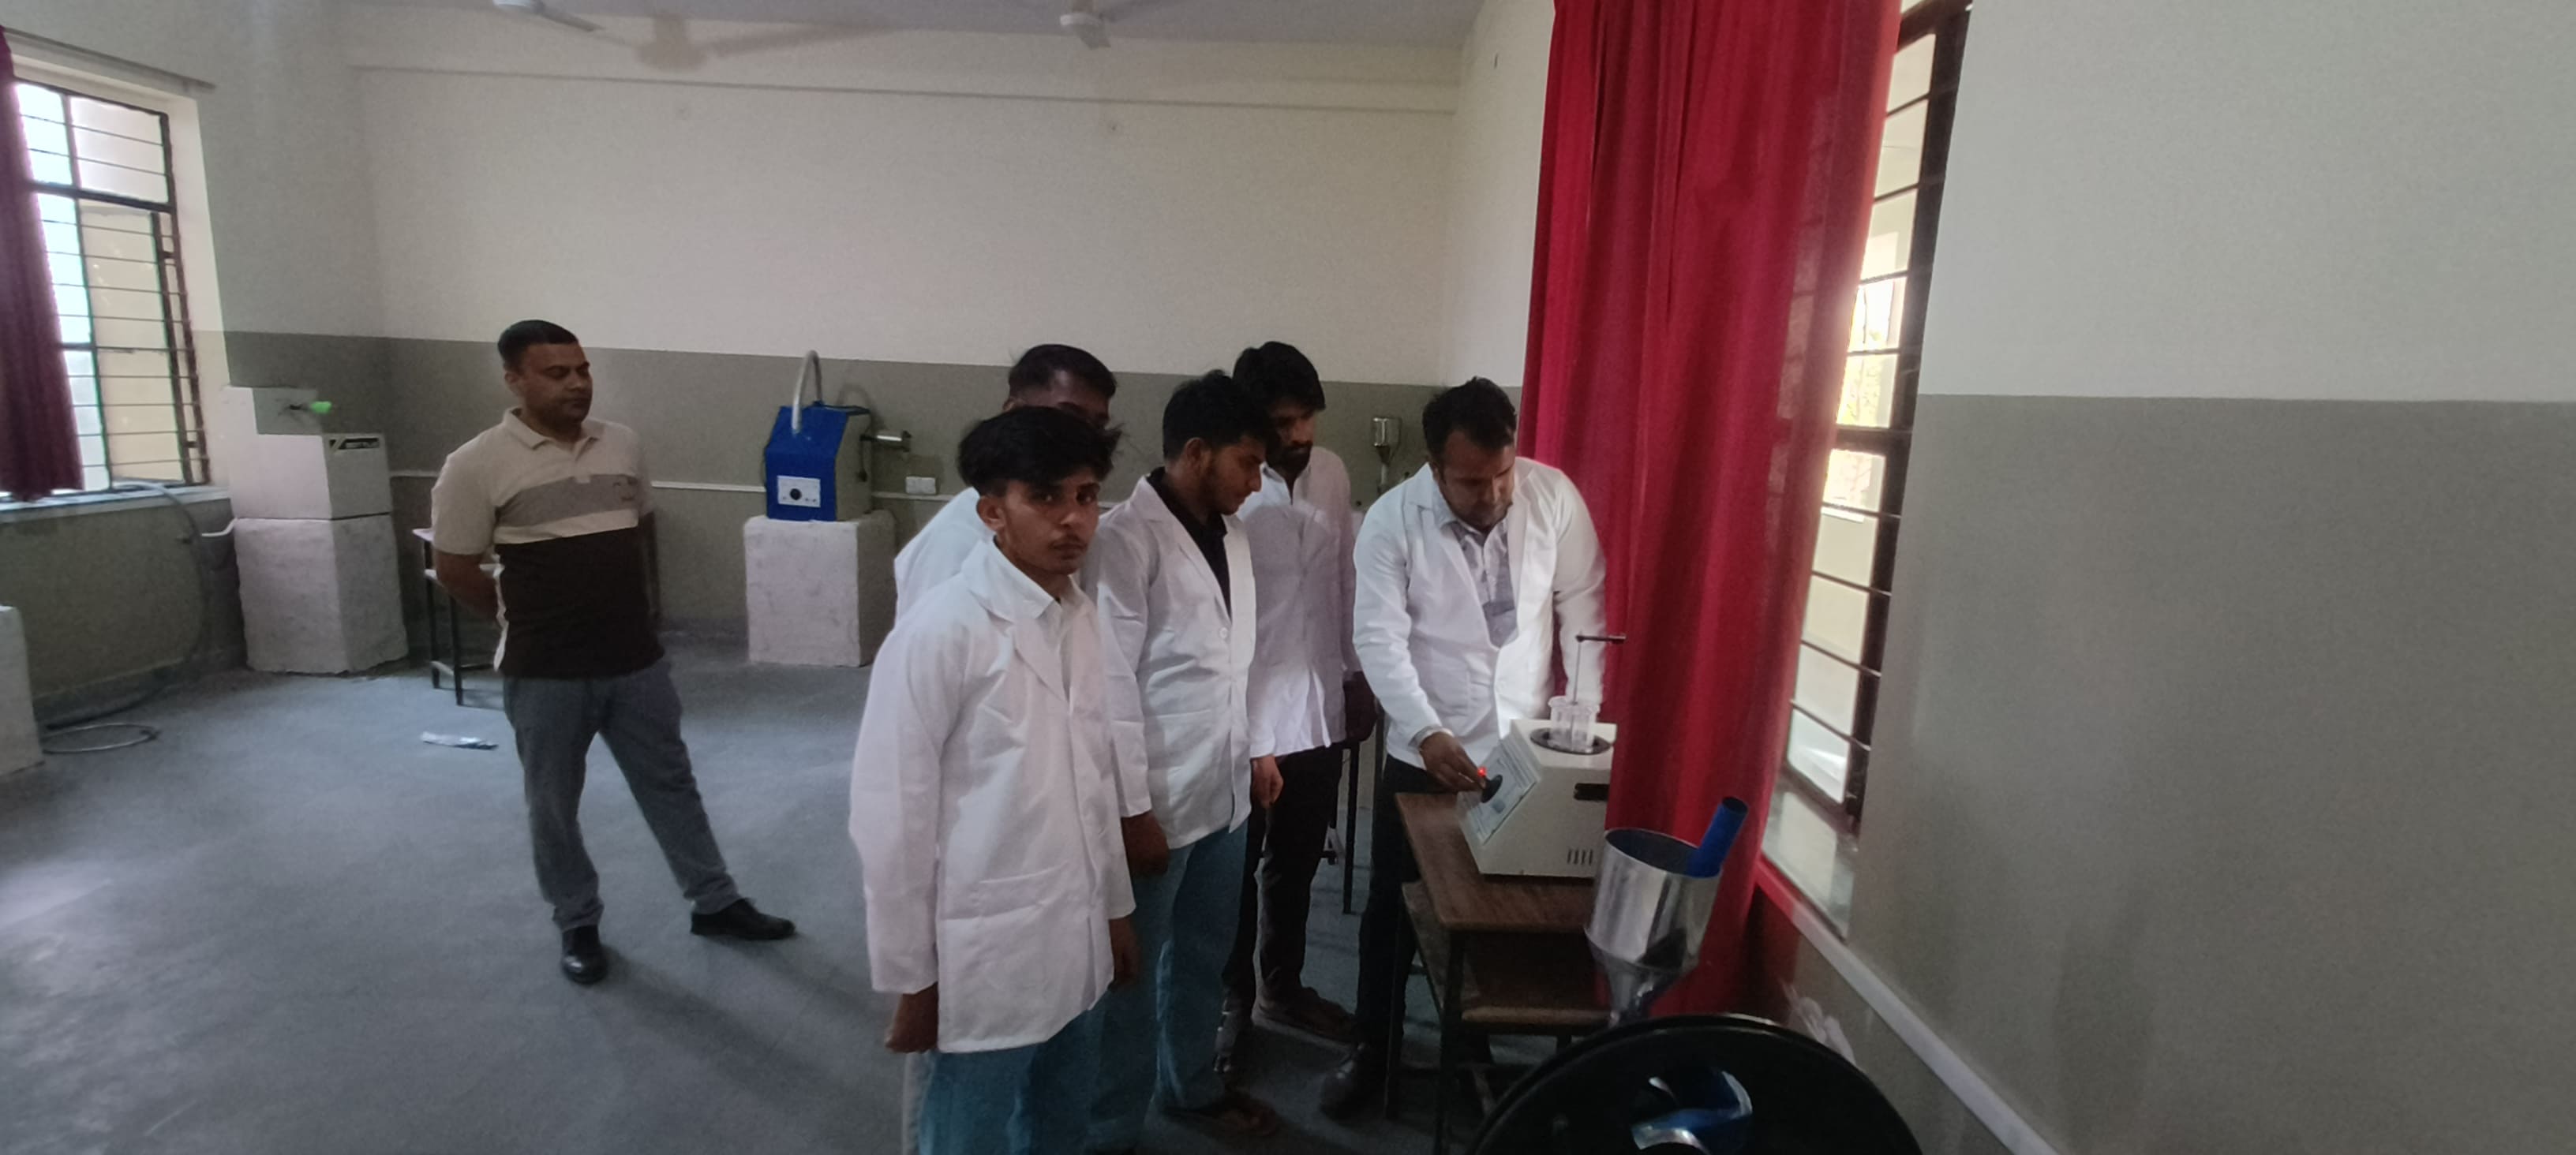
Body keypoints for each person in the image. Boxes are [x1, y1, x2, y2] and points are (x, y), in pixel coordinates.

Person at [431, 319, 795, 986]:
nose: (576, 384)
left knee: (671, 784)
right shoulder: (475, 464)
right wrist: (520, 618)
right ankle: (577, 922)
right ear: (514, 380)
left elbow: (637, 529)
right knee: (553, 805)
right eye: (556, 373)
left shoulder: (622, 444)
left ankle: (715, 902)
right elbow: (454, 568)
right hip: (546, 670)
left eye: (582, 370)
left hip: (635, 662)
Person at [848, 406, 1139, 1155]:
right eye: (1045, 497)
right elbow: (892, 819)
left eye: (1086, 496)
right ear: (992, 513)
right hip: (988, 953)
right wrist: (913, 978)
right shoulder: (943, 631)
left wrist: (1114, 912)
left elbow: (1095, 779)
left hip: (1077, 939)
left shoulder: (1079, 616)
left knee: (1060, 1123)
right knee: (968, 1132)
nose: (1073, 519)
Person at [1318, 378, 1608, 1118]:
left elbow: (1583, 609)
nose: (1494, 493)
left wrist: (1581, 716)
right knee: (1395, 908)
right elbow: (1378, 639)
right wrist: (1425, 729)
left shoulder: (1553, 497)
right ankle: (1373, 1048)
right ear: (1434, 466)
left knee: (1502, 907)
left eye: (1503, 473)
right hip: (1428, 747)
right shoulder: (1392, 521)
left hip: (1526, 746)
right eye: (1473, 482)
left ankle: (1474, 1046)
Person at [1085, 372, 1286, 1148]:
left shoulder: (1233, 534)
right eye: (1248, 463)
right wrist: (1133, 810)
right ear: (1197, 453)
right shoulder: (1124, 541)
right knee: (1132, 976)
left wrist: (1259, 746)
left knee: (1206, 953)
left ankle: (1191, 1086)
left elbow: (1241, 659)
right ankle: (1111, 1128)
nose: (1257, 482)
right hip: (1157, 801)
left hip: (1225, 788)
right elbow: (1110, 687)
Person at [1218, 342, 1374, 1075]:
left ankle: (1282, 988)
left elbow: (1345, 576)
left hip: (1317, 701)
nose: (1301, 434)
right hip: (1245, 709)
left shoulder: (1333, 472)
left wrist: (1355, 674)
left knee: (1299, 857)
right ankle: (1231, 1001)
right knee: (1235, 864)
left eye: (1308, 417)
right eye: (1284, 422)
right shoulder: (1232, 487)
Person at [893, 344, 1118, 616]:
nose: (1085, 436)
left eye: (1097, 425)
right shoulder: (955, 544)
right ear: (1014, 411)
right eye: (1070, 416)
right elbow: (935, 636)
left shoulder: (1065, 545)